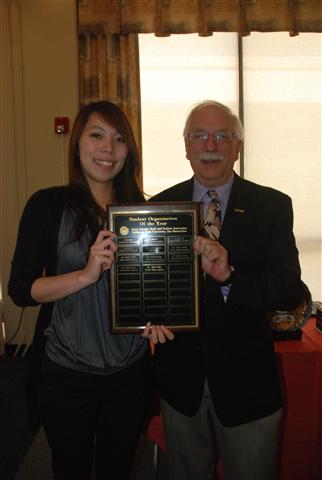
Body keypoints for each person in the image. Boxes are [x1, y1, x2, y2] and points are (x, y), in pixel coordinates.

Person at [148, 100, 304, 480]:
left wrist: (230, 276)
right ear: (185, 146)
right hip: (180, 385)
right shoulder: (158, 207)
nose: (211, 145)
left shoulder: (272, 206)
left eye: (223, 135)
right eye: (199, 135)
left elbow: (288, 290)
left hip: (248, 385)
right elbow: (150, 290)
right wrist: (146, 317)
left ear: (238, 146)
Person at [7, 101, 158, 480]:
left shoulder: (142, 211)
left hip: (129, 373)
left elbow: (149, 288)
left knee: (117, 468)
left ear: (129, 151)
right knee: (70, 468)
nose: (108, 148)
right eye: (97, 135)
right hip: (66, 372)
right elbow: (21, 290)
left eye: (119, 139)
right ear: (77, 144)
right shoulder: (47, 205)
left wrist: (156, 318)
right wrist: (84, 275)